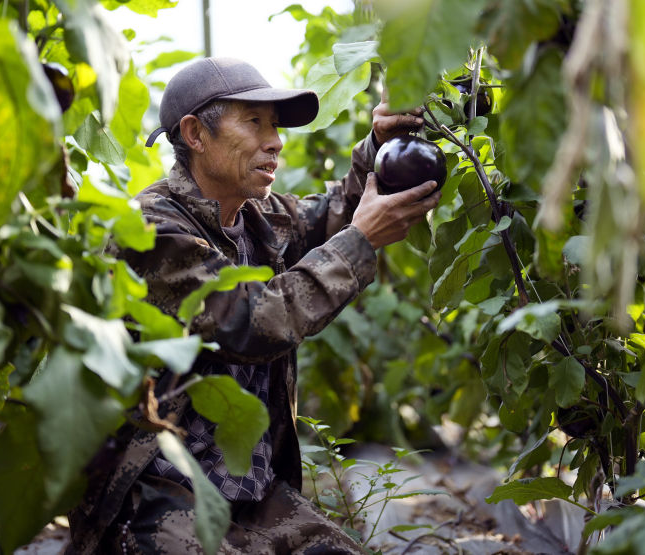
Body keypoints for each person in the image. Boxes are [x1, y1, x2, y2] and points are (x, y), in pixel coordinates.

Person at [67, 57, 441, 554]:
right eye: (254, 122)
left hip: (247, 492)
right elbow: (249, 322)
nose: (276, 141)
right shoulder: (150, 230)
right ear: (195, 134)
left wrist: (379, 144)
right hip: (157, 493)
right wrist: (360, 242)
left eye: (275, 126)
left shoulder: (255, 217)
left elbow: (334, 214)